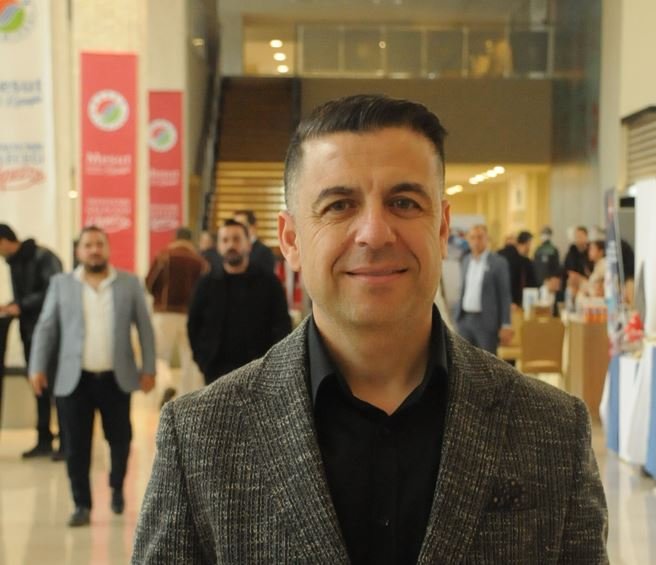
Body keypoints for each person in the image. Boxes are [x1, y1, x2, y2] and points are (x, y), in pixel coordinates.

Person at [133, 94, 607, 563]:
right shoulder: (198, 438)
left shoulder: (552, 429)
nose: (375, 233)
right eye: (339, 205)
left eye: (404, 202)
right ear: (291, 239)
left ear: (443, 229)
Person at [28, 226, 156, 527]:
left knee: (120, 440)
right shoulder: (61, 284)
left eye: (99, 244)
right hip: (74, 381)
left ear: (108, 249)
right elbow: (46, 327)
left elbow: (145, 327)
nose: (94, 250)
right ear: (79, 251)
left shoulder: (128, 283)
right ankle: (81, 504)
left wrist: (149, 368)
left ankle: (116, 487)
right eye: (88, 245)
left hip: (116, 379)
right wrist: (37, 367)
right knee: (76, 446)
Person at [187, 219, 291, 384]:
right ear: (218, 247)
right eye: (225, 240)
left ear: (248, 245)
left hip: (259, 372)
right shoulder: (206, 284)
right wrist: (203, 360)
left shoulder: (269, 283)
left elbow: (282, 324)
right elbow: (194, 324)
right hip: (215, 372)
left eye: (236, 239)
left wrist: (272, 364)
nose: (231, 245)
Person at [0, 223, 63, 459]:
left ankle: (66, 442)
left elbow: (55, 292)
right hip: (28, 333)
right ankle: (44, 440)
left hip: (50, 335)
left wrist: (21, 305)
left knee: (57, 388)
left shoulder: (44, 257)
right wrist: (12, 306)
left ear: (4, 241)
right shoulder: (14, 262)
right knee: (38, 387)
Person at [145, 227, 207, 404]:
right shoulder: (200, 261)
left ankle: (166, 385)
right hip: (191, 315)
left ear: (175, 238)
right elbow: (205, 289)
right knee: (189, 358)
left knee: (159, 355)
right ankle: (187, 398)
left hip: (164, 314)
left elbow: (149, 283)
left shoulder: (164, 256)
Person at [454, 224, 513, 353]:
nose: (476, 241)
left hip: (486, 322)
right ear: (468, 240)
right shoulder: (465, 260)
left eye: (480, 237)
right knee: (464, 360)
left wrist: (506, 324)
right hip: (465, 320)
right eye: (472, 237)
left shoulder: (498, 262)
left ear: (487, 239)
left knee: (486, 361)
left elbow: (504, 295)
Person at [498, 229, 538, 307]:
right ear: (527, 243)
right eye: (530, 244)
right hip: (516, 304)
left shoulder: (499, 255)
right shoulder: (523, 261)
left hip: (501, 302)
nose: (530, 248)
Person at [233, 209, 276, 274]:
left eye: (241, 225)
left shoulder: (265, 253)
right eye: (234, 225)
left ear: (253, 226)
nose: (236, 229)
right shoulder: (231, 250)